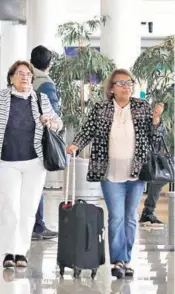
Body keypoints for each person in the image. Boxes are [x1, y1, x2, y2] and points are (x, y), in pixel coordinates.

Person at [66, 68, 164, 278]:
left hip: (136, 173)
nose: (126, 87)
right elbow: (88, 130)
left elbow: (154, 140)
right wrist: (75, 144)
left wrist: (155, 121)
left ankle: (126, 259)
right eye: (121, 83)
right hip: (110, 173)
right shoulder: (102, 108)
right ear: (111, 88)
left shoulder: (142, 107)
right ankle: (118, 260)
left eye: (129, 83)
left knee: (130, 217)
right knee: (117, 217)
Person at [0, 60, 63, 268]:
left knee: (28, 208)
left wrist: (50, 122)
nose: (25, 77)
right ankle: (7, 252)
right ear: (11, 77)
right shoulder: (0, 97)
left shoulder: (41, 98)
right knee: (10, 206)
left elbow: (59, 122)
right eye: (20, 73)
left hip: (35, 161)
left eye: (28, 74)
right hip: (7, 161)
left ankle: (21, 251)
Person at [30, 45, 61, 241]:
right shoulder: (46, 83)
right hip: (38, 139)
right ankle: (38, 225)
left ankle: (32, 224)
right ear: (49, 64)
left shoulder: (22, 77)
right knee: (36, 183)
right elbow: (54, 115)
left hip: (21, 138)